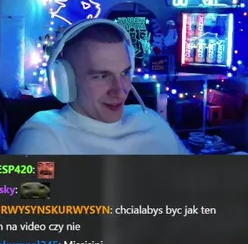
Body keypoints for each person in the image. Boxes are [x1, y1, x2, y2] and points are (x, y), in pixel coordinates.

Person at [10, 21, 188, 155]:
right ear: (65, 80)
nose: (120, 91)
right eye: (101, 76)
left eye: (125, 73)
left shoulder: (151, 120)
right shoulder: (44, 137)